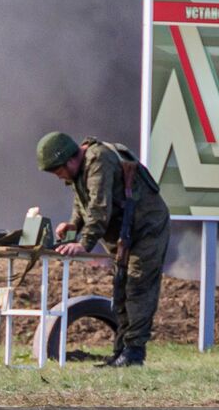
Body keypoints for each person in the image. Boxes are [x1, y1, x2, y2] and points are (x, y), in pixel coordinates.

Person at [37, 131, 170, 367]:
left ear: (69, 160)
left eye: (58, 171)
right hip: (123, 232)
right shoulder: (79, 170)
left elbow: (99, 209)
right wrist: (73, 225)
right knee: (120, 287)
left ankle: (134, 352)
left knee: (138, 286)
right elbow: (82, 203)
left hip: (146, 228)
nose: (58, 177)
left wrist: (83, 244)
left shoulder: (99, 160)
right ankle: (121, 351)